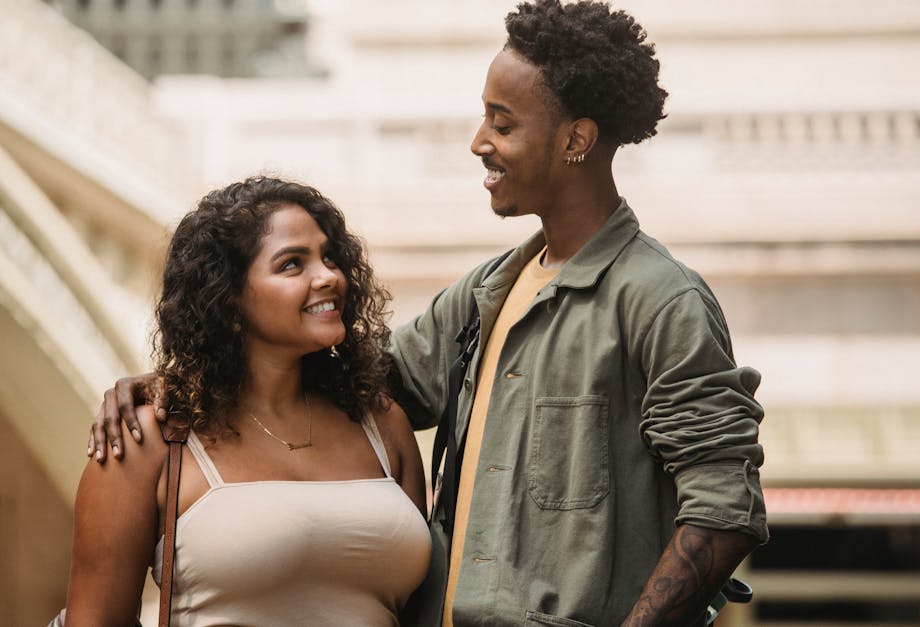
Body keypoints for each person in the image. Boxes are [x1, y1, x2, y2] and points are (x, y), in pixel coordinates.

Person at [93, 2, 769, 625]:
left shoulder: (661, 300)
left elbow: (723, 511)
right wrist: (178, 382)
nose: (479, 141)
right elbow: (350, 373)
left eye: (503, 122)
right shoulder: (486, 295)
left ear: (575, 140)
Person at [67, 176, 430, 626]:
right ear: (228, 297)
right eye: (292, 264)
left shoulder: (381, 424)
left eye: (329, 256)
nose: (329, 277)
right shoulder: (148, 442)